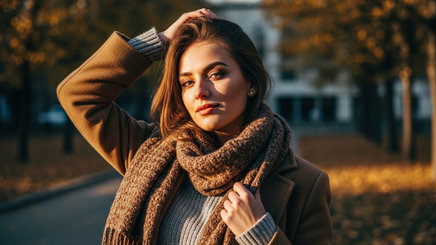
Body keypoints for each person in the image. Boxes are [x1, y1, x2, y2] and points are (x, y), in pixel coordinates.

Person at [57, 9, 332, 245]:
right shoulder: (150, 151)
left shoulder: (306, 183)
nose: (199, 91)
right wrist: (160, 41)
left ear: (251, 83)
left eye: (216, 74)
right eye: (187, 82)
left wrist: (259, 233)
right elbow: (78, 94)